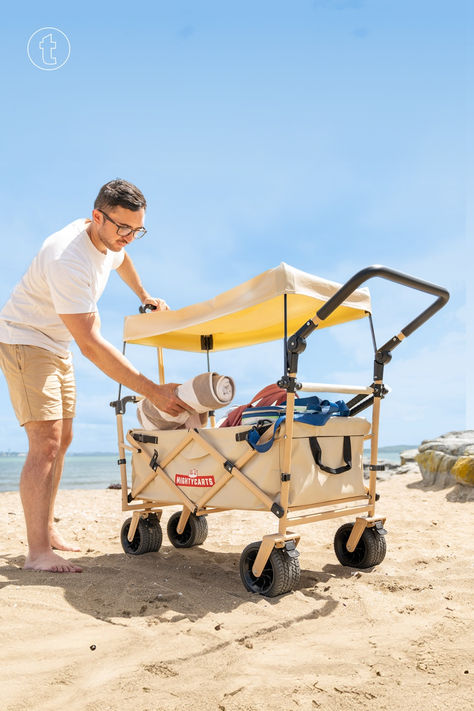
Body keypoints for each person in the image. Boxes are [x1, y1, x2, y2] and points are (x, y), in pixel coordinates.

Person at [0, 179, 192, 574]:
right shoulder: (66, 260)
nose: (129, 238)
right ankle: (37, 553)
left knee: (64, 437)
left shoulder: (111, 242)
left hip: (56, 343)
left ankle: (47, 530)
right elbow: (90, 344)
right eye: (123, 228)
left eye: (137, 230)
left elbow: (122, 261)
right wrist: (153, 392)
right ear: (97, 217)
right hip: (25, 339)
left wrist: (144, 295)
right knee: (45, 442)